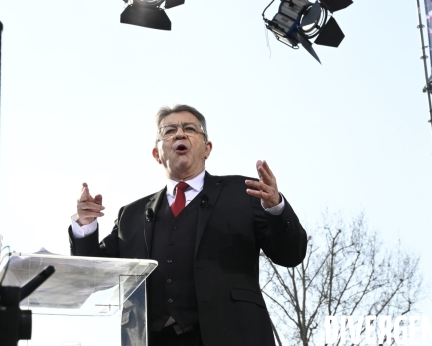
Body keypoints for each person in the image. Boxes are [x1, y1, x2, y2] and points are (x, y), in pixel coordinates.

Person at [68, 104, 308, 346]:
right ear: (156, 154)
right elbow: (92, 279)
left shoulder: (244, 192)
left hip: (232, 335)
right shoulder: (131, 214)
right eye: (169, 130)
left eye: (190, 129)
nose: (180, 134)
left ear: (207, 148)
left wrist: (276, 208)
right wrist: (85, 226)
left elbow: (291, 254)